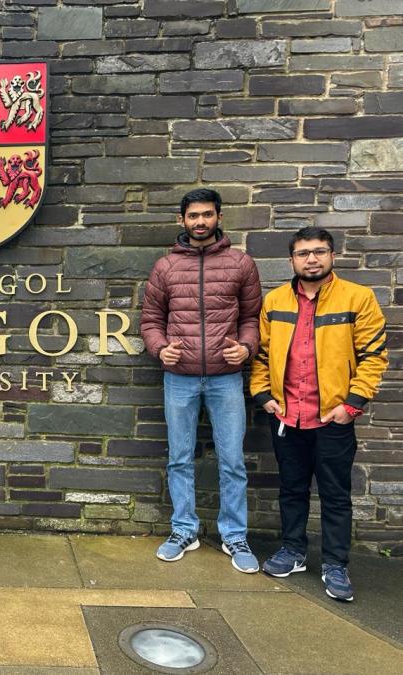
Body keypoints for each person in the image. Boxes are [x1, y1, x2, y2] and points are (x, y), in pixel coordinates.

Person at [252, 227, 387, 602]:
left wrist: (352, 405)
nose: (311, 259)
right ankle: (293, 550)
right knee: (291, 490)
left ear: (332, 256)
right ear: (292, 259)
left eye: (319, 251)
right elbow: (262, 355)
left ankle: (335, 563)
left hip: (332, 418)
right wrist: (264, 396)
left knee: (335, 494)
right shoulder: (276, 300)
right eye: (303, 253)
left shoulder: (357, 298)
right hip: (287, 416)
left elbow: (374, 356)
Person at [141, 188, 262, 573]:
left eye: (207, 215)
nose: (200, 222)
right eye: (193, 216)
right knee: (179, 458)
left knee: (232, 460)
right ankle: (183, 530)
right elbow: (150, 321)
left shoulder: (241, 263)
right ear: (182, 221)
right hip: (180, 378)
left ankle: (234, 535)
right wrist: (160, 349)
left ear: (219, 217)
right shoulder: (165, 268)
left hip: (226, 379)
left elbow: (252, 319)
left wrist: (246, 348)